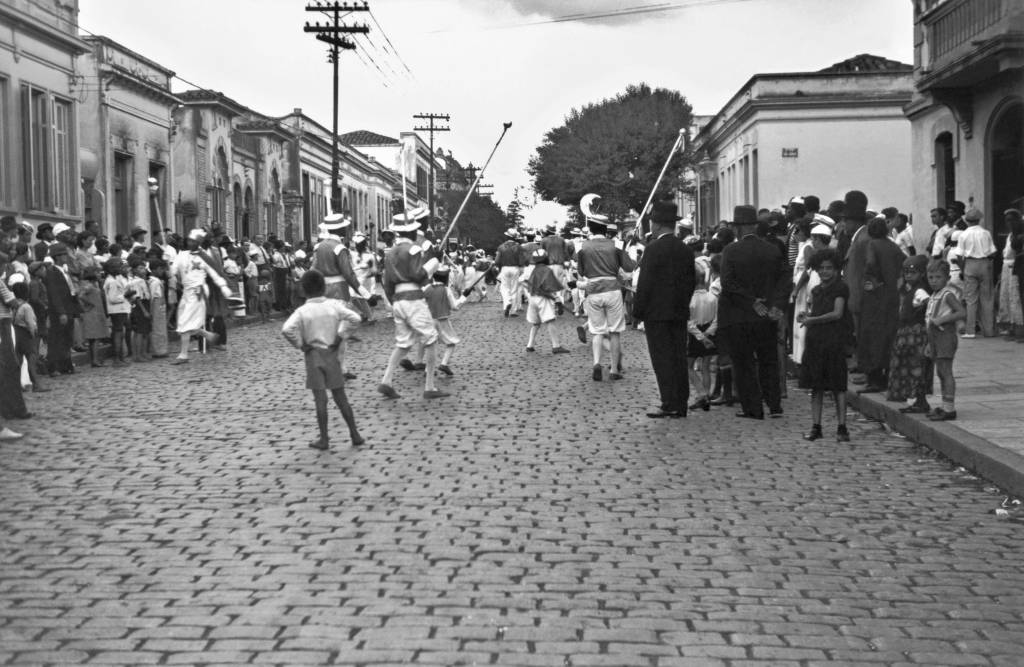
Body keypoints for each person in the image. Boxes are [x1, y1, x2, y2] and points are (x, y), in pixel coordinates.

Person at [717, 205, 788, 420]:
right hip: (766, 314)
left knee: (744, 363)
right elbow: (784, 279)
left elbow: (727, 282)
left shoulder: (731, 251)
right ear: (755, 226)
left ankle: (753, 407)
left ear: (738, 228)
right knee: (768, 361)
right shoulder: (772, 249)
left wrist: (750, 301)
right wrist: (777, 305)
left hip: (739, 316)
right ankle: (774, 405)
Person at [281, 269, 364, 451]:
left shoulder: (302, 311)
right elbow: (355, 318)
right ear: (324, 287)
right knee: (341, 397)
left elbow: (287, 329)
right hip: (331, 354)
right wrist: (341, 335)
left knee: (320, 400)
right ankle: (354, 434)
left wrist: (300, 344)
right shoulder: (333, 306)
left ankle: (324, 438)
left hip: (313, 355)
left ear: (303, 289)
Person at [377, 207, 448, 400]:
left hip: (398, 300)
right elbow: (418, 275)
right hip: (413, 298)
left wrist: (392, 300)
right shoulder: (415, 249)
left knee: (403, 344)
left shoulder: (390, 253)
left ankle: (386, 380)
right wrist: (432, 264)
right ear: (410, 231)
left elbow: (387, 281)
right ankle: (430, 387)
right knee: (431, 339)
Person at [633, 201, 695, 416]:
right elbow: (690, 282)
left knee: (662, 359)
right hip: (678, 311)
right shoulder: (685, 250)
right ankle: (682, 403)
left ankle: (669, 402)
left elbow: (645, 283)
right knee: (678, 356)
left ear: (657, 225)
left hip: (656, 313)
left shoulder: (653, 249)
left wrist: (638, 310)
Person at [576, 195, 636, 382]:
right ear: (605, 228)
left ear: (592, 228)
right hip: (612, 289)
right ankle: (614, 371)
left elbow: (581, 270)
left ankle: (596, 363)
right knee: (615, 331)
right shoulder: (617, 244)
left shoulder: (582, 246)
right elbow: (629, 267)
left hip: (593, 290)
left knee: (596, 330)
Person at [797, 248, 853, 442]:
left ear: (836, 269)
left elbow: (837, 313)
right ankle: (816, 425)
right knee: (816, 386)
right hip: (816, 342)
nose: (825, 272)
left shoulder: (841, 288)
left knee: (838, 386)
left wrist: (813, 320)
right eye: (821, 268)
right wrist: (806, 317)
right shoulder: (816, 290)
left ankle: (842, 427)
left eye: (829, 268)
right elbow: (815, 313)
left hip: (834, 341)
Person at [168, 229, 232, 365]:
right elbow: (173, 269)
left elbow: (215, 273)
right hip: (186, 291)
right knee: (182, 322)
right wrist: (170, 269)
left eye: (193, 241)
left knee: (185, 321)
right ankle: (207, 335)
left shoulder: (204, 257)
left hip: (198, 291)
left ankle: (183, 354)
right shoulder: (181, 254)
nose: (190, 243)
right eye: (189, 241)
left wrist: (223, 286)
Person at [857, 217, 905, 393]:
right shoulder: (893, 246)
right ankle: (885, 376)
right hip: (891, 295)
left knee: (871, 335)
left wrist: (872, 280)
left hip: (876, 296)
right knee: (886, 336)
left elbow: (870, 264)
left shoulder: (873, 245)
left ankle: (874, 379)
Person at [887, 254, 932, 413]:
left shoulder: (919, 290)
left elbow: (929, 303)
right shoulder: (909, 290)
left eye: (912, 272)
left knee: (916, 367)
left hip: (915, 335)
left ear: (921, 274)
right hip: (907, 334)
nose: (908, 275)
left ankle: (921, 401)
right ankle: (919, 400)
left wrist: (925, 314)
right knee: (913, 367)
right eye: (906, 272)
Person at [925, 259, 967, 421]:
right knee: (940, 372)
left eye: (938, 277)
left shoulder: (947, 294)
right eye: (931, 277)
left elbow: (961, 312)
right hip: (935, 337)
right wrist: (929, 343)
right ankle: (944, 405)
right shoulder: (935, 295)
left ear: (947, 278)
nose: (934, 281)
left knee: (945, 371)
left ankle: (949, 408)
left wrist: (942, 320)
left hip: (945, 335)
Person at [521, 248, 570, 356]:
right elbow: (551, 287)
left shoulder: (533, 269)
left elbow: (524, 282)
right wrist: (556, 299)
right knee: (550, 320)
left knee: (536, 323)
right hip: (543, 299)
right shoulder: (547, 270)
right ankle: (556, 346)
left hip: (533, 298)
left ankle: (530, 345)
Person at [957, 207, 997, 338]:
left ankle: (970, 331)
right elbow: (993, 252)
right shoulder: (986, 233)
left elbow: (959, 255)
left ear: (967, 220)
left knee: (970, 299)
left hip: (970, 264)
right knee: (987, 298)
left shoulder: (963, 234)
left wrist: (963, 268)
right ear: (979, 220)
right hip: (985, 263)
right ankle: (989, 330)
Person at [423, 265, 468, 375]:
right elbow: (454, 307)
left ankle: (428, 369)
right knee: (451, 343)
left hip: (428, 321)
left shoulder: (426, 289)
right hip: (442, 321)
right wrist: (463, 297)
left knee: (431, 345)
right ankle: (444, 364)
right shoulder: (446, 290)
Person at [43, 243, 81, 376]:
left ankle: (66, 365)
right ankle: (53, 367)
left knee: (67, 339)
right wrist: (61, 312)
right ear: (57, 257)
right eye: (63, 254)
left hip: (69, 307)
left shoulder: (64, 270)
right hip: (60, 311)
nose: (65, 256)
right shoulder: (52, 272)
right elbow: (54, 294)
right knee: (56, 339)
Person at [686, 264, 717, 412]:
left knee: (688, 366)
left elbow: (689, 323)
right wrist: (708, 333)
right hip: (709, 332)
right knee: (705, 366)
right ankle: (706, 396)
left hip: (695, 335)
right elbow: (718, 318)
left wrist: (700, 336)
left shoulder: (690, 299)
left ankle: (702, 394)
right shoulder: (712, 297)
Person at [10, 280, 48, 392]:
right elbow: (31, 323)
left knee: (19, 360)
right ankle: (36, 384)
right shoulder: (26, 307)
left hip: (17, 334)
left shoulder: (14, 305)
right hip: (27, 335)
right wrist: (34, 334)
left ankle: (17, 385)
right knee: (32, 360)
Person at [998, 209, 1024, 340]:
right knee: (1006, 297)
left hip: (1016, 265)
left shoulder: (1019, 235)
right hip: (1006, 267)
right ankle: (1010, 326)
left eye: (1012, 220)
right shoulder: (1010, 235)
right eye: (1007, 220)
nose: (1009, 223)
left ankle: (1019, 326)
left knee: (1016, 297)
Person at [78, 267, 108, 368]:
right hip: (93, 313)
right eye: (97, 273)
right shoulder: (89, 286)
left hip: (94, 312)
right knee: (95, 338)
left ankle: (94, 359)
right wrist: (89, 303)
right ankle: (95, 359)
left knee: (93, 338)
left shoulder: (92, 285)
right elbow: (81, 296)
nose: (99, 275)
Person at [127, 260, 152, 363]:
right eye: (140, 268)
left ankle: (143, 352)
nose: (143, 270)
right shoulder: (137, 281)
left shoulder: (142, 280)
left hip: (145, 304)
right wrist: (144, 311)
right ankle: (137, 355)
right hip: (140, 306)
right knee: (139, 332)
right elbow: (137, 298)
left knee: (145, 331)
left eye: (144, 268)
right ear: (134, 270)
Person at [494, 229, 523, 317]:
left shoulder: (501, 246)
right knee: (514, 289)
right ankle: (513, 311)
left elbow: (497, 261)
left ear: (507, 236)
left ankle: (507, 302)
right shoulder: (519, 247)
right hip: (515, 268)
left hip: (505, 268)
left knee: (504, 288)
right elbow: (522, 261)